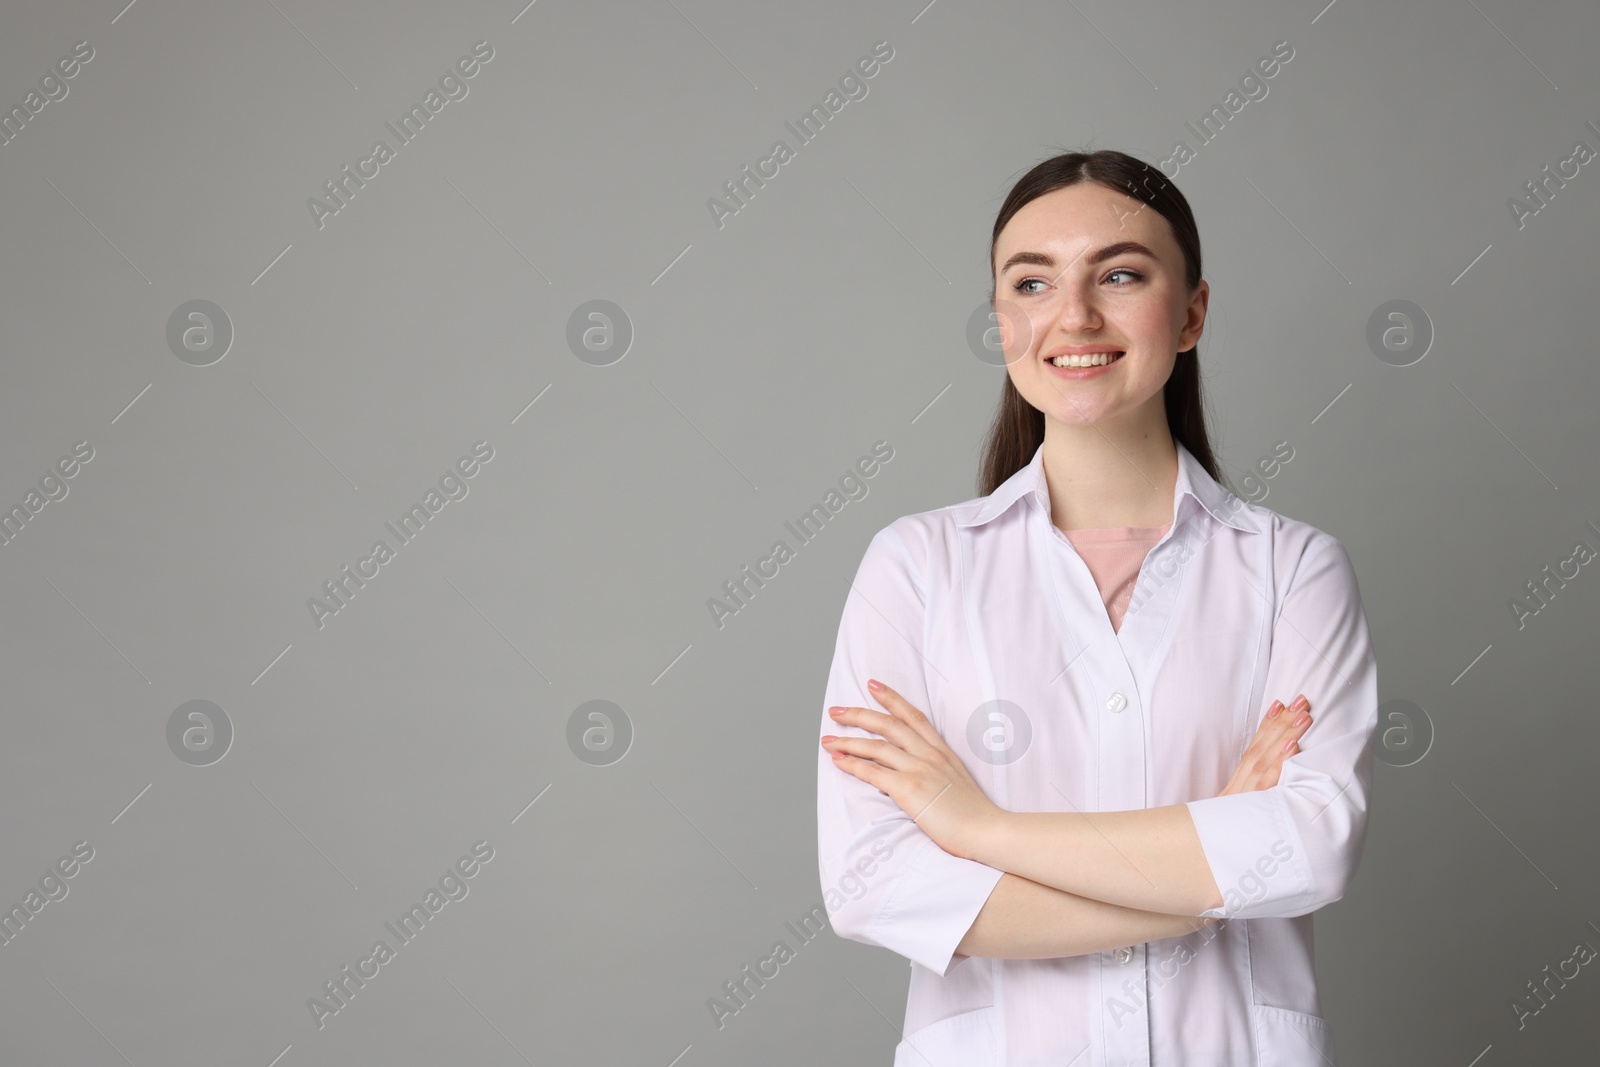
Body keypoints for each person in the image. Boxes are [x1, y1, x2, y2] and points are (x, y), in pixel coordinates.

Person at [816, 149, 1379, 1066]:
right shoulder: (917, 567)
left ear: (1191, 311)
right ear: (1002, 320)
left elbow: (1309, 848)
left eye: (1120, 274)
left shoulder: (1294, 569)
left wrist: (979, 831)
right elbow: (874, 881)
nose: (1073, 317)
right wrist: (1213, 861)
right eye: (1032, 282)